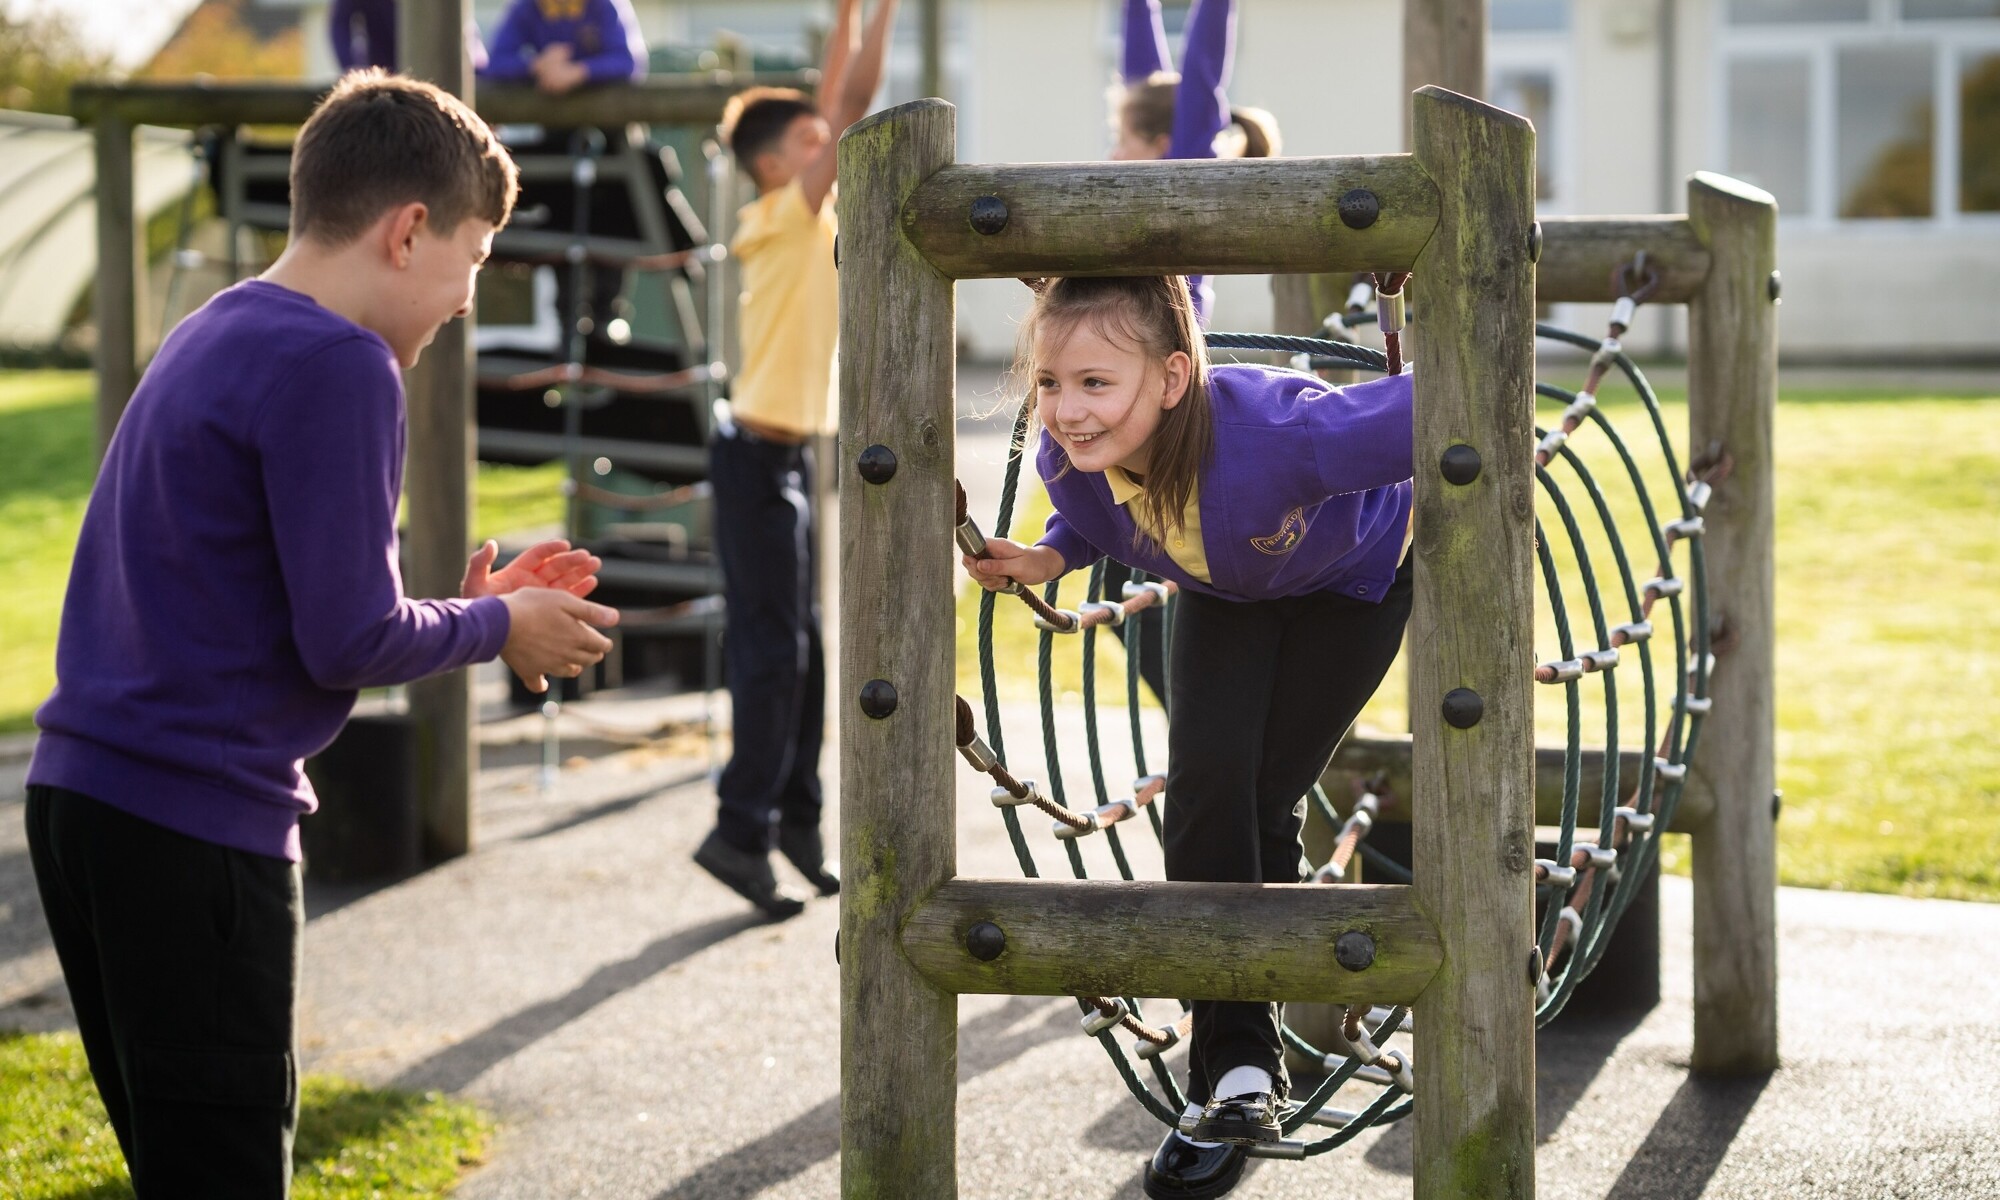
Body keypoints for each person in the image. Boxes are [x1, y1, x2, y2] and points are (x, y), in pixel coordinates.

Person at [24, 71, 619, 1196]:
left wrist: (466, 604)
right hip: (193, 828)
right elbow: (346, 641)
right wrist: (498, 628)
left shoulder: (222, 326)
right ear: (407, 232)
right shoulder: (343, 362)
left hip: (85, 804)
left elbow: (279, 603)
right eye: (474, 263)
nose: (465, 301)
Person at [964, 275, 1413, 1200]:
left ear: (1172, 378)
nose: (1066, 410)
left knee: (1263, 794)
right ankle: (1240, 1075)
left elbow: (1434, 411)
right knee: (1206, 789)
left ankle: (1246, 1060)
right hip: (1226, 592)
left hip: (1352, 582)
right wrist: (1048, 556)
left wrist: (1429, 312)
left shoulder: (1280, 438)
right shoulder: (1067, 459)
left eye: (1094, 383)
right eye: (1049, 383)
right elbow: (1092, 513)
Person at [693, 0, 899, 919]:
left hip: (786, 464)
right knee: (774, 654)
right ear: (781, 163)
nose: (833, 148)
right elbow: (850, 103)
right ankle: (739, 831)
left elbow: (835, 94)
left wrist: (855, 13)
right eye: (815, 143)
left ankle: (800, 823)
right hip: (754, 462)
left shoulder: (806, 219)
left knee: (808, 655)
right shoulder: (777, 213)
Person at [1104, 0, 1281, 711]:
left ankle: (1209, 720)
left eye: (1120, 138)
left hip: (1170, 408)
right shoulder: (1137, 181)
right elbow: (1140, 65)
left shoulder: (1184, 170)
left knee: (1165, 572)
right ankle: (1202, 720)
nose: (1112, 152)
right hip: (1135, 403)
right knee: (1124, 583)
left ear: (1158, 143)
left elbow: (1201, 66)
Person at [480, 0, 647, 93]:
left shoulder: (605, 5)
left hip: (611, 125)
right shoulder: (526, 8)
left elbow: (628, 61)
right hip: (553, 121)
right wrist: (536, 65)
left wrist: (578, 72)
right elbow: (495, 63)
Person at [327, 0, 489, 73]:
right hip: (385, 73)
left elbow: (464, 27)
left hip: (439, 74)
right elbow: (340, 24)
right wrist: (351, 67)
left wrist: (476, 69)